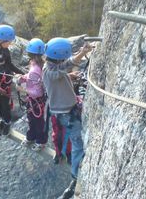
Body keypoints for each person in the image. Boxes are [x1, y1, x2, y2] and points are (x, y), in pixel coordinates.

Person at [43, 37, 93, 198]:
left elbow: (64, 68)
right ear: (59, 56)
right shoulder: (50, 71)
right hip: (66, 113)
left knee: (67, 138)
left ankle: (64, 157)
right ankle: (76, 175)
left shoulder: (51, 66)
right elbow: (65, 66)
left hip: (63, 111)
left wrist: (70, 76)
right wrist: (81, 54)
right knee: (77, 142)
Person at [15, 38, 48, 151]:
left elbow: (37, 91)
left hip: (36, 100)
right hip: (37, 101)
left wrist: (22, 89)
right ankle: (31, 137)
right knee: (32, 119)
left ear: (29, 53)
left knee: (37, 122)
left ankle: (41, 142)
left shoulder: (35, 69)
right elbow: (35, 81)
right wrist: (24, 78)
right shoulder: (38, 64)